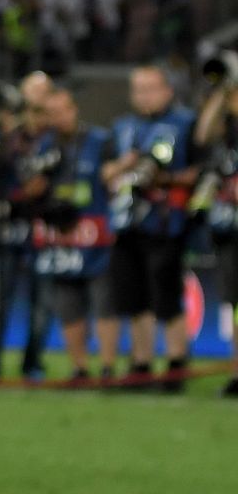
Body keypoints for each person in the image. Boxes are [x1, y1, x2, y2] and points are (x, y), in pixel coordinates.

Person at [102, 65, 199, 389]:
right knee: (133, 298)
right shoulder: (122, 126)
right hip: (126, 221)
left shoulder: (184, 123)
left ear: (167, 90)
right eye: (138, 89)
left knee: (166, 295)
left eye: (150, 88)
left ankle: (175, 364)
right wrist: (124, 166)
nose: (143, 95)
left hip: (166, 222)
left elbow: (198, 170)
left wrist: (165, 178)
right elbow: (105, 173)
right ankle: (140, 364)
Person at [23, 87, 119, 381]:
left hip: (96, 234)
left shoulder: (100, 141)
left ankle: (107, 367)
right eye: (51, 113)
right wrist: (39, 177)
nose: (57, 118)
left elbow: (115, 180)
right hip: (60, 238)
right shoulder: (43, 146)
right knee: (68, 305)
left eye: (62, 110)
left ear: (74, 109)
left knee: (104, 303)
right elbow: (29, 191)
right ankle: (79, 368)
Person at [0, 72, 52, 382]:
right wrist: (10, 132)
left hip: (42, 226)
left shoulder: (51, 137)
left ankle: (32, 363)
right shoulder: (2, 133)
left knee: (42, 304)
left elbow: (41, 179)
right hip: (7, 226)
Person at [195, 70, 238, 395]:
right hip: (228, 227)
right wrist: (221, 93)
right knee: (235, 303)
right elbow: (203, 134)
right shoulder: (226, 133)